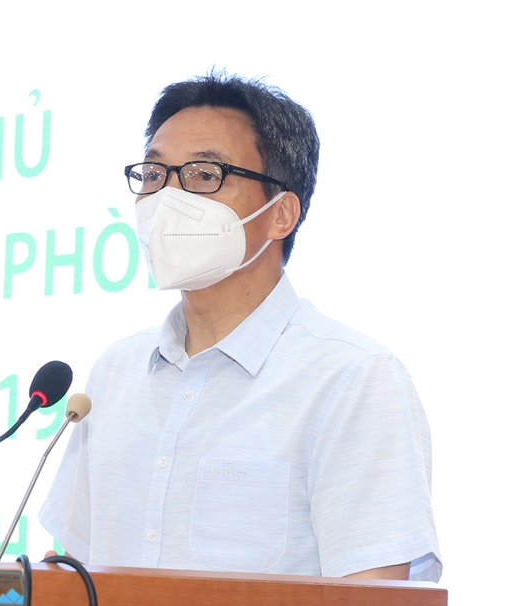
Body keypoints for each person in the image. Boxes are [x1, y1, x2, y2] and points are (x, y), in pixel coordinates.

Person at [40, 73, 441, 581]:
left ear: (281, 214)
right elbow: (70, 570)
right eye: (154, 174)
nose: (167, 198)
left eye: (204, 174)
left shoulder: (353, 379)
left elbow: (374, 592)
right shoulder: (115, 371)